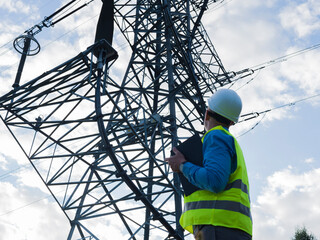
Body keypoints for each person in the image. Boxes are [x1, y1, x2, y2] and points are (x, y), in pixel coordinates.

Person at [165, 89, 252, 240]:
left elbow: (215, 180)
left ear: (207, 114)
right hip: (228, 227)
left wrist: (182, 165)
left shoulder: (215, 136)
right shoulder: (227, 140)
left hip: (217, 227)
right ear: (231, 122)